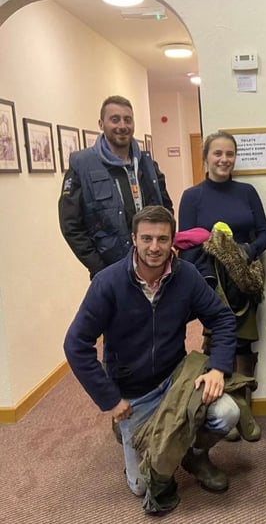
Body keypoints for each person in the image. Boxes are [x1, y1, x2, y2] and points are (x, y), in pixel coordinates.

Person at [63, 205, 240, 516]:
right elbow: (76, 345)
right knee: (142, 486)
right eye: (146, 238)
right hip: (133, 392)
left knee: (227, 412)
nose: (155, 247)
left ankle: (194, 454)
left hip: (175, 378)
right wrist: (110, 400)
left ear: (173, 240)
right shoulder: (108, 283)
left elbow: (223, 318)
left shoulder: (187, 276)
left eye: (162, 239)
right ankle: (126, 429)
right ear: (134, 239)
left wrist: (218, 368)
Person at [177, 131, 266, 442]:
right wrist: (209, 275)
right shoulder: (192, 196)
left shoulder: (247, 192)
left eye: (229, 154)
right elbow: (186, 246)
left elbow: (264, 235)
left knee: (244, 344)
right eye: (217, 153)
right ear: (206, 158)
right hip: (211, 283)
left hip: (244, 278)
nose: (224, 159)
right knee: (218, 341)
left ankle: (244, 405)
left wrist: (244, 253)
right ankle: (223, 405)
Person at [58, 95, 174, 279]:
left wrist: (164, 248)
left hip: (153, 266)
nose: (122, 126)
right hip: (110, 269)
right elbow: (71, 225)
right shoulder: (82, 165)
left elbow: (166, 209)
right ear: (101, 124)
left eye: (127, 120)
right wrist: (97, 267)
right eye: (115, 119)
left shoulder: (147, 164)